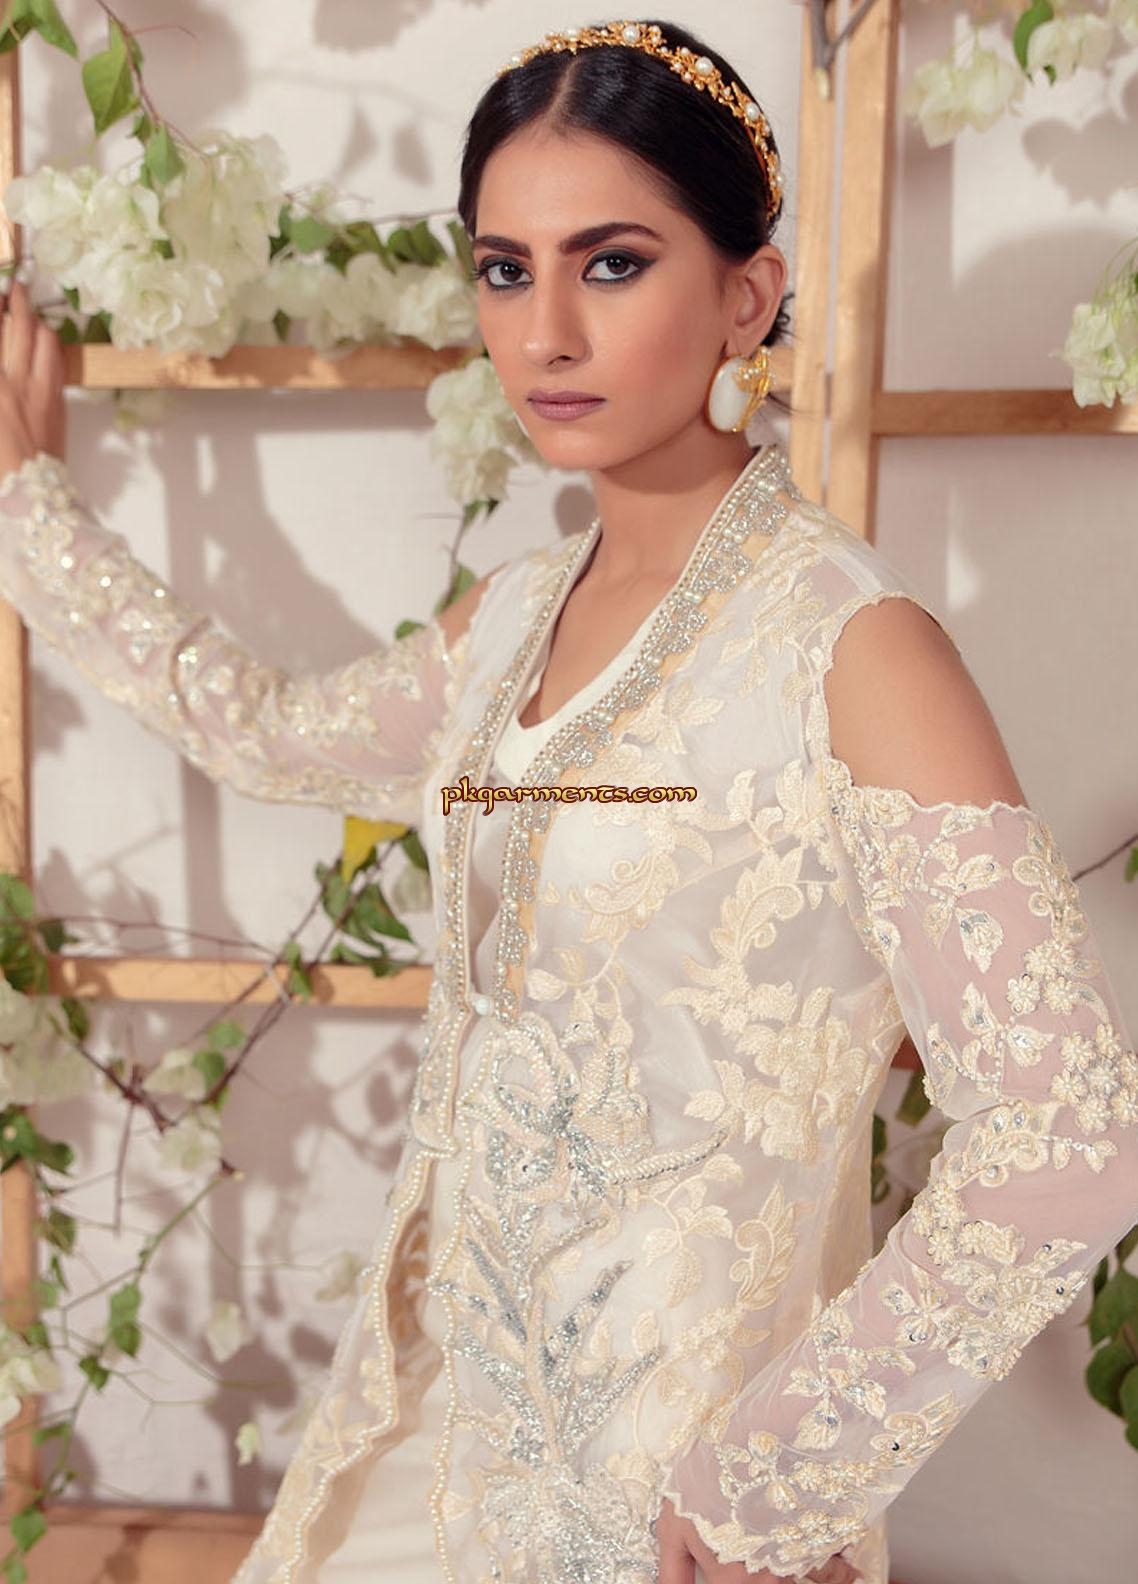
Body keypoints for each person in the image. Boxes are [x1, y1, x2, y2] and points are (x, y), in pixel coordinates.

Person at [0, 16, 1135, 1584]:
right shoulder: (517, 620)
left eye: (610, 264)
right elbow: (266, 731)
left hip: (673, 1511)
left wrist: (768, 1486)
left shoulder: (851, 649)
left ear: (745, 293)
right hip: (421, 1450)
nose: (542, 334)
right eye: (503, 268)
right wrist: (26, 507)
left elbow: (1065, 1128)